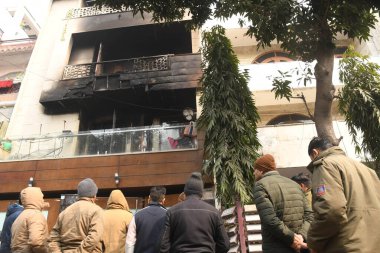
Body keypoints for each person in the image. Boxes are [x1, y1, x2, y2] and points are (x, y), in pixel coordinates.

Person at [306, 137, 380, 253]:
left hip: (346, 246)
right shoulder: (367, 170)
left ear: (315, 153)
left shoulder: (325, 165)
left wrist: (313, 242)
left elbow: (331, 211)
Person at [253, 154, 313, 253]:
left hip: (276, 247)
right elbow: (309, 215)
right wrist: (300, 237)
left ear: (261, 170)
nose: (254, 173)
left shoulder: (260, 186)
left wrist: (293, 239)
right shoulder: (294, 184)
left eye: (255, 169)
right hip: (299, 247)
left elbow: (270, 220)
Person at [160, 172, 230, 253]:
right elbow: (225, 244)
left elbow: (163, 245)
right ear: (201, 193)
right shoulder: (214, 212)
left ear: (185, 192)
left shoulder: (172, 212)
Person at [48, 178, 104, 253]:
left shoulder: (64, 212)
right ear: (94, 196)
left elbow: (53, 238)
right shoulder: (97, 211)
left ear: (79, 195)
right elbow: (94, 237)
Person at [126, 186, 167, 253]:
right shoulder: (169, 215)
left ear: (149, 198)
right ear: (163, 200)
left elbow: (130, 243)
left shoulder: (137, 216)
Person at [11, 187, 49, 253]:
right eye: (41, 198)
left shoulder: (21, 216)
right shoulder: (35, 215)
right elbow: (36, 242)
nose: (43, 200)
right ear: (37, 199)